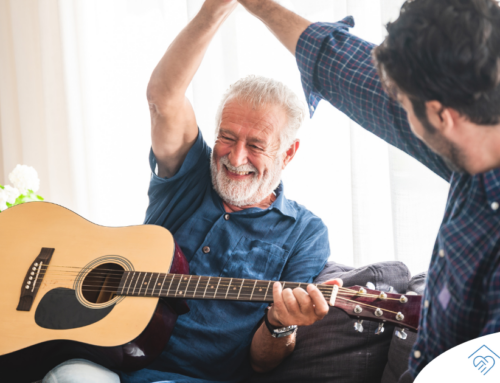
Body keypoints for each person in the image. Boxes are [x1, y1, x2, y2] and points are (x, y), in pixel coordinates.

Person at [42, 1, 341, 383]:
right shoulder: (191, 173)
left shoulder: (305, 233)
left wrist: (282, 324)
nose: (236, 157)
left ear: (289, 152)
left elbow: (263, 363)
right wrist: (214, 10)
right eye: (227, 137)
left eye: (256, 145)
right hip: (102, 360)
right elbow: (163, 99)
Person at [237, 0, 500, 381]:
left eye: (406, 106)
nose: (401, 114)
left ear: (443, 116)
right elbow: (345, 68)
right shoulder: (475, 124)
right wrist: (258, 5)